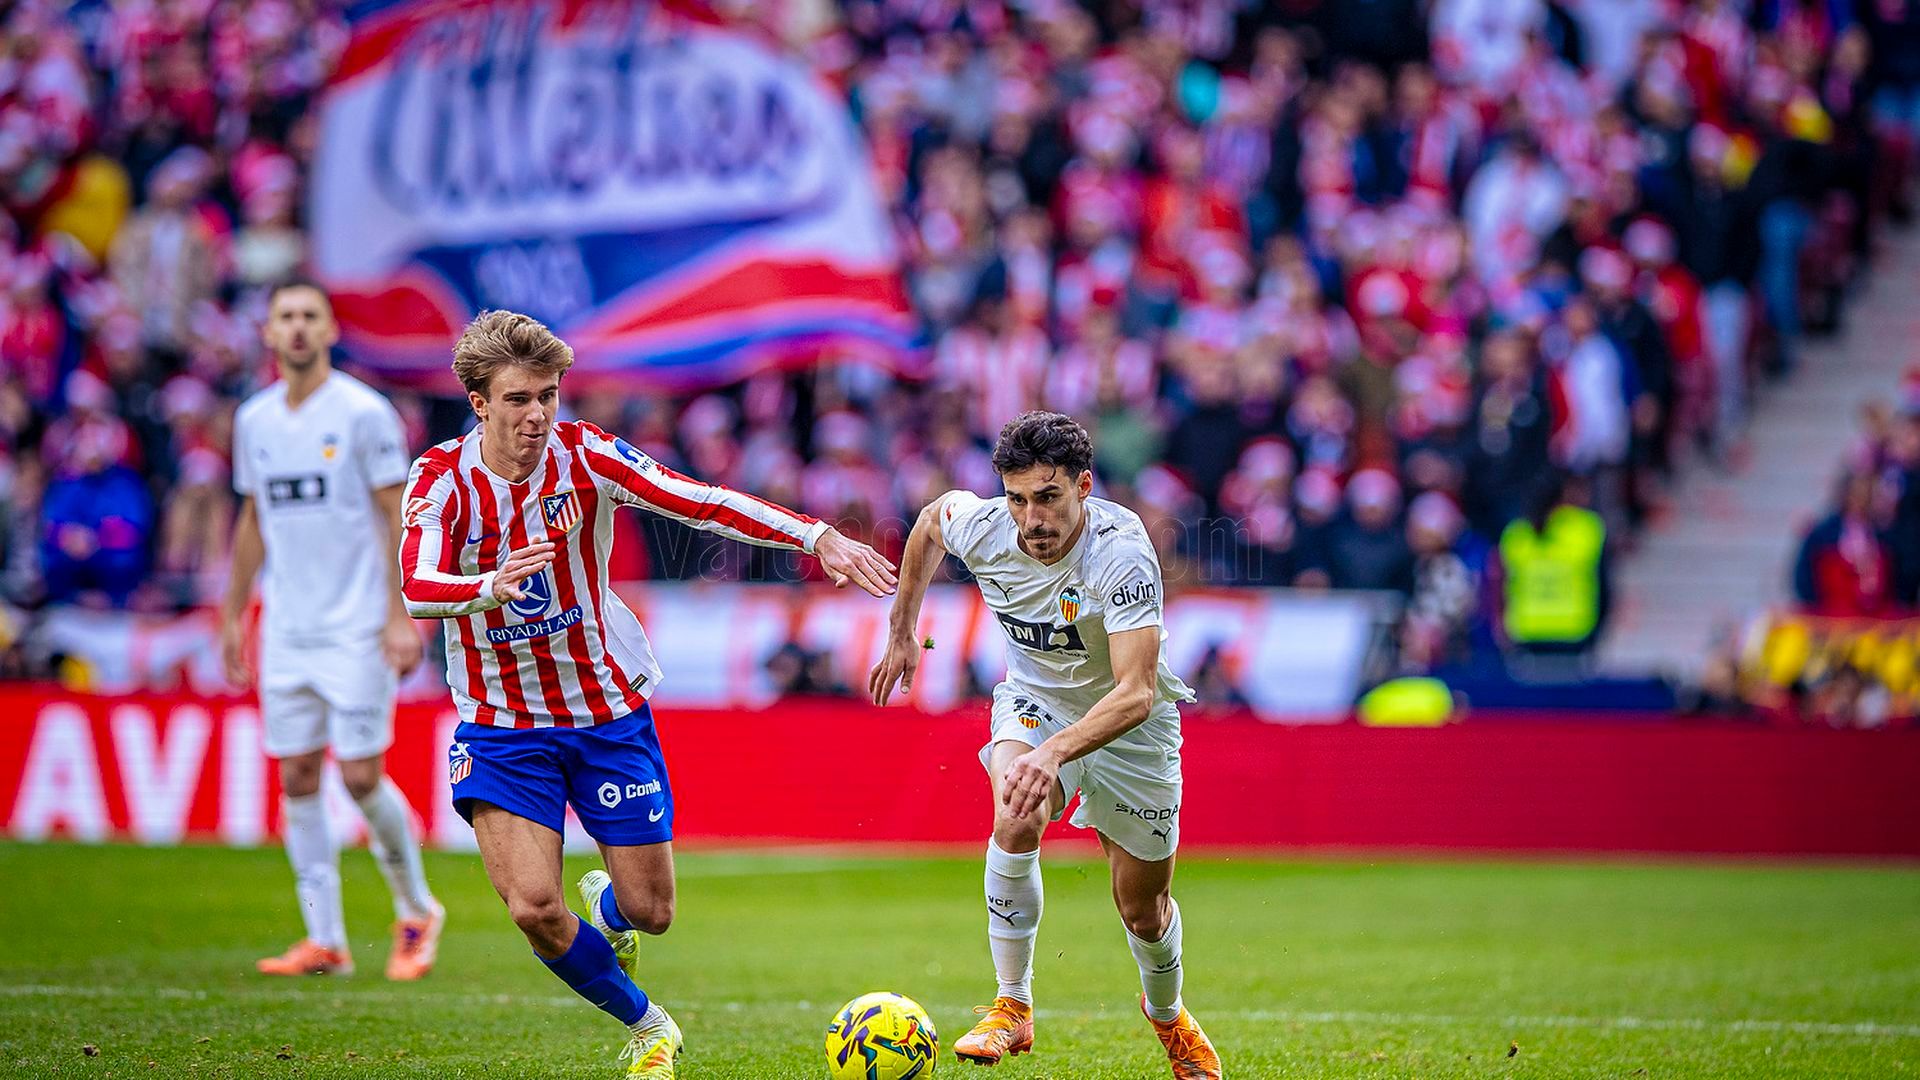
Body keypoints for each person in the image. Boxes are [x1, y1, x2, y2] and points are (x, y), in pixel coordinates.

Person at [397, 310, 896, 1079]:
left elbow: (698, 499)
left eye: (550, 396)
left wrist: (815, 536)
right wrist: (486, 586)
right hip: (501, 722)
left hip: (604, 713)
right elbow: (419, 586)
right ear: (478, 402)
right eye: (521, 399)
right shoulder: (439, 481)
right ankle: (648, 1025)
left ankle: (607, 912)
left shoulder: (586, 455)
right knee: (531, 905)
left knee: (651, 914)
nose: (538, 416)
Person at [869, 411, 1222, 1079]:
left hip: (1131, 724)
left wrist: (1057, 751)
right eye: (1019, 498)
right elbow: (926, 527)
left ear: (1084, 486)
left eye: (1049, 497)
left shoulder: (1121, 553)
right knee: (1016, 804)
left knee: (1142, 908)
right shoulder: (986, 526)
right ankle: (1012, 1005)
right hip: (1036, 701)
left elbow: (1137, 690)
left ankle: (1169, 1015)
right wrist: (902, 630)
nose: (1032, 519)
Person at [220, 282, 443, 979]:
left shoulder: (362, 413)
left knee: (359, 772)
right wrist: (233, 614)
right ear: (268, 333)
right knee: (297, 774)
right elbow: (254, 518)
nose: (295, 328)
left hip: (356, 625)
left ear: (329, 330)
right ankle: (327, 941)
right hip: (288, 624)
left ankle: (416, 909)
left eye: (308, 317)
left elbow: (396, 515)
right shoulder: (254, 420)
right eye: (284, 316)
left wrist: (400, 612)